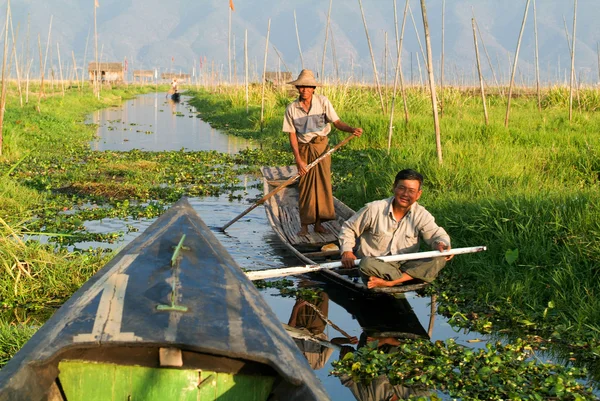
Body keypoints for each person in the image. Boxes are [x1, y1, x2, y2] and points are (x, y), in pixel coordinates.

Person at [339, 169, 453, 289]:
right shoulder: (374, 209)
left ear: (418, 194)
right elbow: (349, 228)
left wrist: (441, 244)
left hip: (404, 264)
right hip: (375, 264)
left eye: (411, 191)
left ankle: (390, 282)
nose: (405, 194)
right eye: (401, 188)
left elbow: (436, 234)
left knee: (439, 257)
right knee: (366, 263)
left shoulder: (421, 214)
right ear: (394, 188)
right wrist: (347, 251)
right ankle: (406, 278)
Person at [282, 69, 363, 236]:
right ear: (297, 89)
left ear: (313, 88)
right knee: (305, 187)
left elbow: (337, 122)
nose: (304, 90)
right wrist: (298, 160)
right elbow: (292, 136)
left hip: (322, 149)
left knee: (322, 185)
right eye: (301, 87)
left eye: (308, 87)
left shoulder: (323, 102)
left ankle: (318, 224)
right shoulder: (292, 108)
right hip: (304, 149)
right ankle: (305, 225)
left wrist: (351, 129)